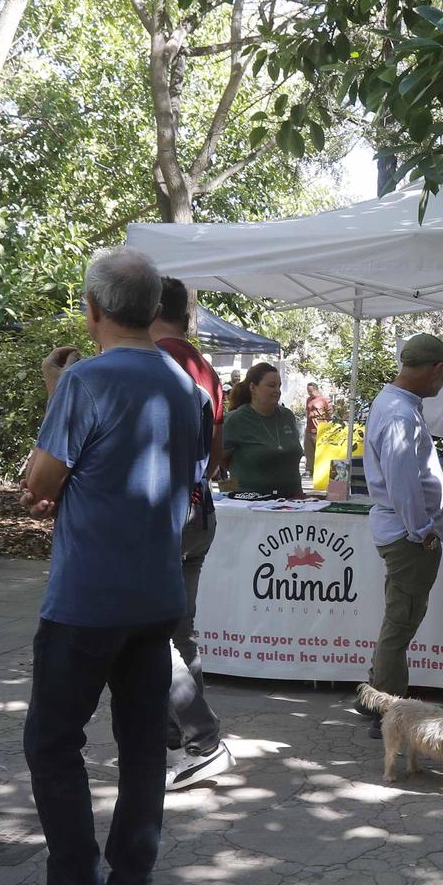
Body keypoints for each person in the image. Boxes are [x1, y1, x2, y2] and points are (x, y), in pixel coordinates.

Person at [0, 248, 204, 885]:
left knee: (52, 743)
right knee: (144, 743)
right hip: (157, 592)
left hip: (88, 597)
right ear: (154, 308)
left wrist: (59, 390)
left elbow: (40, 482)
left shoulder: (84, 379)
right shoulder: (186, 384)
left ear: (92, 310)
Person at [149, 276, 233, 790]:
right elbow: (218, 451)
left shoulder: (156, 360)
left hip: (165, 513)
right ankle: (177, 735)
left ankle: (200, 738)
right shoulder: (206, 368)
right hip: (199, 511)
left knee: (151, 633)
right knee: (179, 630)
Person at [357, 334, 443, 724]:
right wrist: (422, 530)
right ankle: (389, 711)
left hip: (404, 530)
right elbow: (403, 483)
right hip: (407, 534)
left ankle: (377, 697)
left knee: (398, 621)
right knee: (400, 626)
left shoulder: (396, 404)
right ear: (434, 368)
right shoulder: (399, 412)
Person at [223, 361, 304, 498]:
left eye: (279, 386)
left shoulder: (287, 416)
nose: (277, 391)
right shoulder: (236, 419)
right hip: (251, 502)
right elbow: (221, 460)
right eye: (271, 386)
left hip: (292, 500)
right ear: (253, 388)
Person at [303, 380, 331, 476]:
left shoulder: (324, 400)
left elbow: (330, 414)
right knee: (308, 450)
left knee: (319, 451)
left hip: (319, 428)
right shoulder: (308, 400)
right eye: (308, 391)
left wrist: (322, 421)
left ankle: (319, 471)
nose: (309, 393)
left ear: (316, 389)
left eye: (310, 391)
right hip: (309, 428)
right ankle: (309, 469)